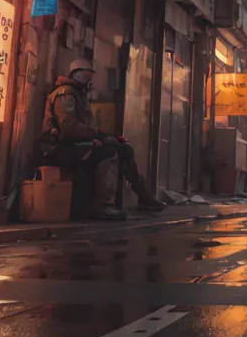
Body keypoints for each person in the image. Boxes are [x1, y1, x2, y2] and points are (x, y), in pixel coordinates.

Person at [40, 59, 165, 219]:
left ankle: (145, 197)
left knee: (124, 149)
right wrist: (98, 136)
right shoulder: (66, 94)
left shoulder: (79, 94)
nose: (88, 79)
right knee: (108, 153)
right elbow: (68, 128)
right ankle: (105, 205)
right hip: (61, 147)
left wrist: (103, 137)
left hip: (78, 144)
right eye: (85, 74)